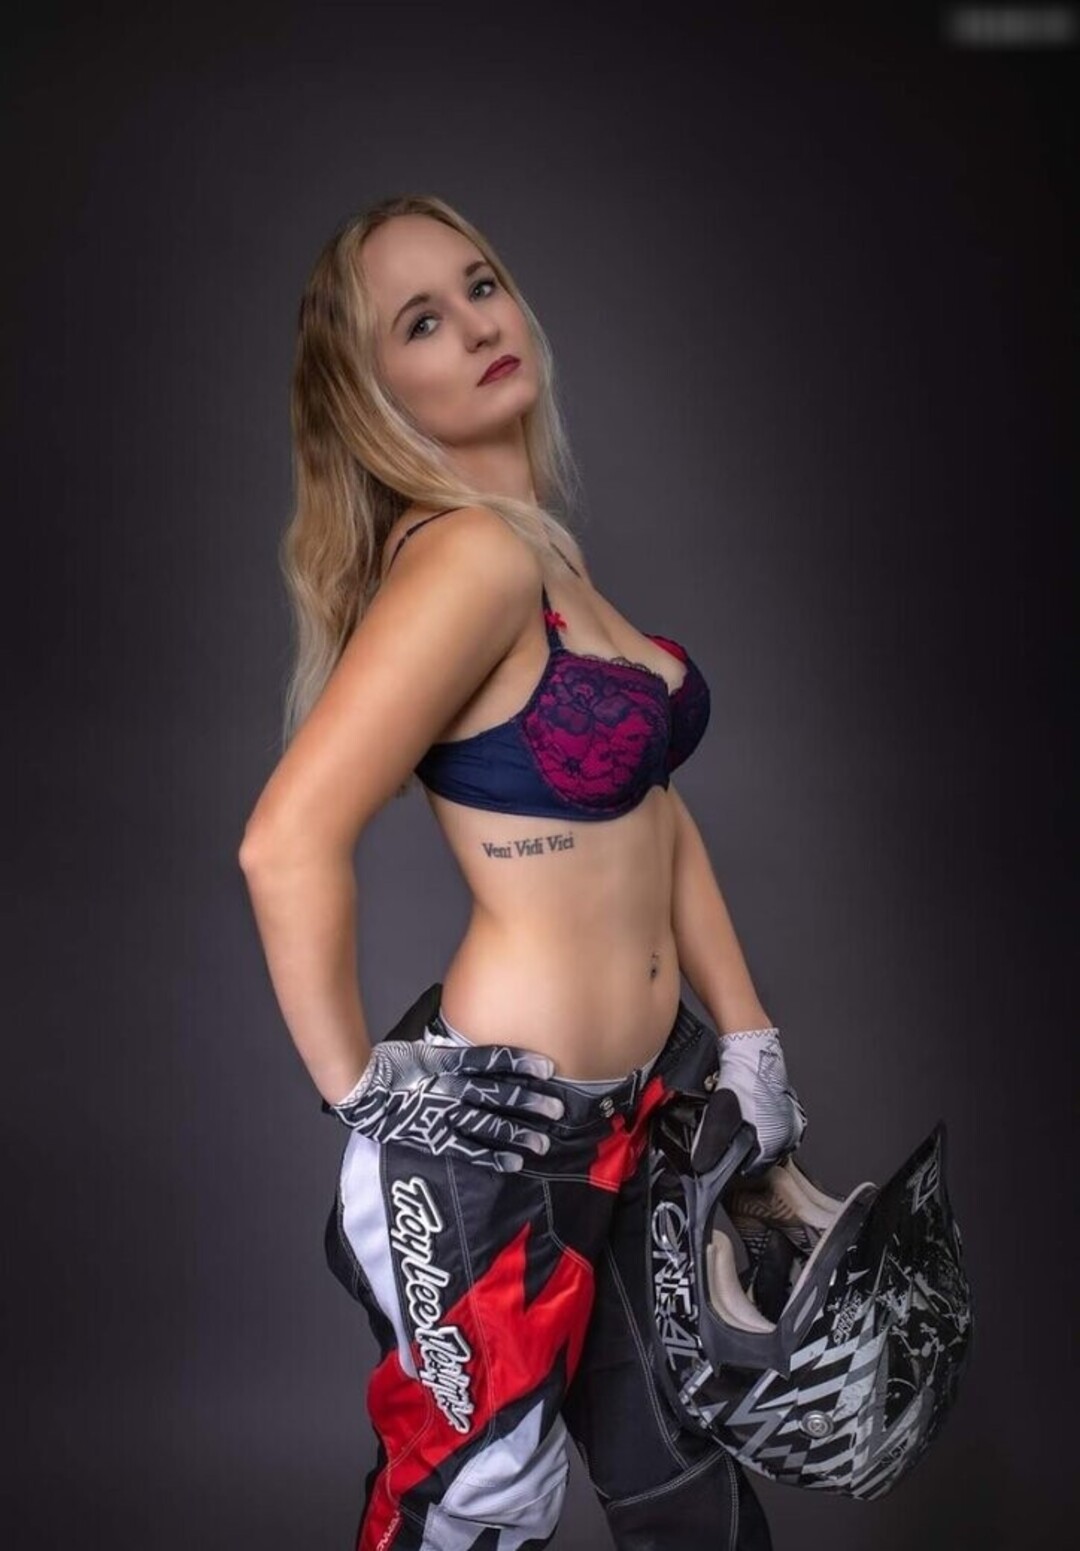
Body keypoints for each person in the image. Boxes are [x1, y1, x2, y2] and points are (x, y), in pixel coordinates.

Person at [239, 193, 807, 1551]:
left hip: (635, 1106)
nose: (476, 324)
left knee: (681, 1475)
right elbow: (284, 842)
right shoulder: (473, 560)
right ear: (376, 393)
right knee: (478, 1506)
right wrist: (362, 1090)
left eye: (481, 285)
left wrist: (749, 1039)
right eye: (421, 322)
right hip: (494, 1149)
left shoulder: (542, 546)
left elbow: (651, 814)